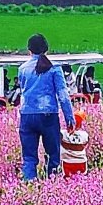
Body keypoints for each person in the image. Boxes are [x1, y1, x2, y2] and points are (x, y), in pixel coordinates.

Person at [17, 34, 73, 180]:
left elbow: (23, 90)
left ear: (29, 50)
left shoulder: (23, 69)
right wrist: (70, 119)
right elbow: (63, 96)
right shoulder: (54, 68)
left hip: (27, 115)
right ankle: (52, 187)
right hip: (48, 116)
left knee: (29, 158)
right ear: (46, 50)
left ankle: (29, 188)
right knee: (53, 156)